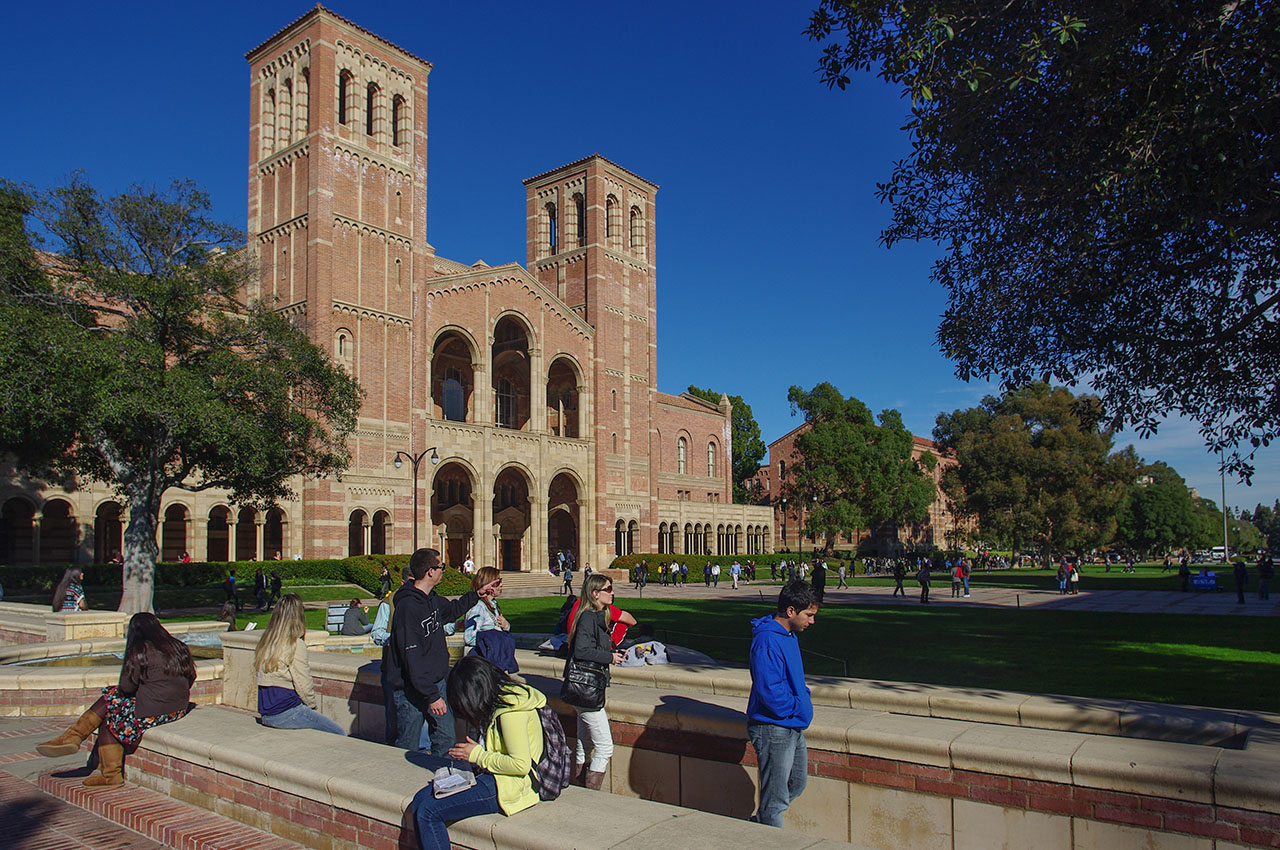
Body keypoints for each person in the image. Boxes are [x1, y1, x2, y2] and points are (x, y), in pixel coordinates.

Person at [37, 613, 194, 787]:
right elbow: (191, 677)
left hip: (153, 712)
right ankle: (75, 739)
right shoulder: (179, 647)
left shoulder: (140, 651)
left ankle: (97, 761)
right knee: (110, 701)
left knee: (110, 714)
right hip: (177, 709)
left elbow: (126, 688)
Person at [410, 656, 546, 850]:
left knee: (428, 812)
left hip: (512, 785)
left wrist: (477, 755)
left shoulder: (511, 712)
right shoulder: (499, 698)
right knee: (419, 800)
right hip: (492, 775)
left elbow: (520, 764)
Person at [384, 548, 497, 754]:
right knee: (407, 743)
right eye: (441, 567)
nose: (444, 571)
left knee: (446, 738)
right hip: (412, 687)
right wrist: (431, 695)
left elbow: (452, 610)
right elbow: (412, 657)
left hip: (436, 681)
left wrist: (477, 595)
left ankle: (440, 778)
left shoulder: (431, 599)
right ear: (430, 571)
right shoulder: (408, 607)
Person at [747, 581, 818, 828]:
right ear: (790, 611)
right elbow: (770, 691)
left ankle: (764, 820)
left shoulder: (787, 635)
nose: (811, 621)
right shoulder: (767, 640)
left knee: (797, 783)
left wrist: (802, 700)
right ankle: (769, 827)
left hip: (791, 724)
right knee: (775, 801)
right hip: (773, 727)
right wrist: (797, 707)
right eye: (808, 615)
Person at [255, 593, 346, 735]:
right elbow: (303, 682)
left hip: (266, 713)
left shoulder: (267, 642)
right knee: (339, 733)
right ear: (298, 616)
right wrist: (312, 706)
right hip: (286, 711)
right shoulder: (295, 644)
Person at [566, 574, 625, 789]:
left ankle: (580, 785)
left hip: (584, 688)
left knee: (584, 743)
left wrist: (612, 652)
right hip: (587, 690)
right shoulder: (589, 617)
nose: (612, 592)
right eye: (608, 589)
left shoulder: (591, 615)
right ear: (595, 593)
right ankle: (592, 793)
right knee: (605, 747)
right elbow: (581, 650)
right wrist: (610, 657)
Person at [463, 567, 513, 667]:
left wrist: (506, 626)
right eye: (498, 582)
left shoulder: (492, 605)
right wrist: (489, 640)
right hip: (481, 661)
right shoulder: (479, 607)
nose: (501, 585)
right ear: (488, 585)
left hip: (493, 658)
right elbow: (469, 637)